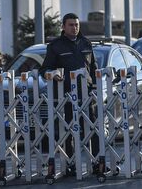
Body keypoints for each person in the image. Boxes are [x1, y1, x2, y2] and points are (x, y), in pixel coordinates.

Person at [39, 13, 99, 175]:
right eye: (71, 25)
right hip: (66, 96)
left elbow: (93, 67)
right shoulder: (55, 46)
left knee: (94, 130)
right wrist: (52, 74)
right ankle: (70, 165)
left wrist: (95, 85)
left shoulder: (86, 43)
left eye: (77, 25)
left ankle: (97, 164)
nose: (75, 28)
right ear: (63, 27)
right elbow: (44, 69)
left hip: (87, 95)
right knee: (68, 132)